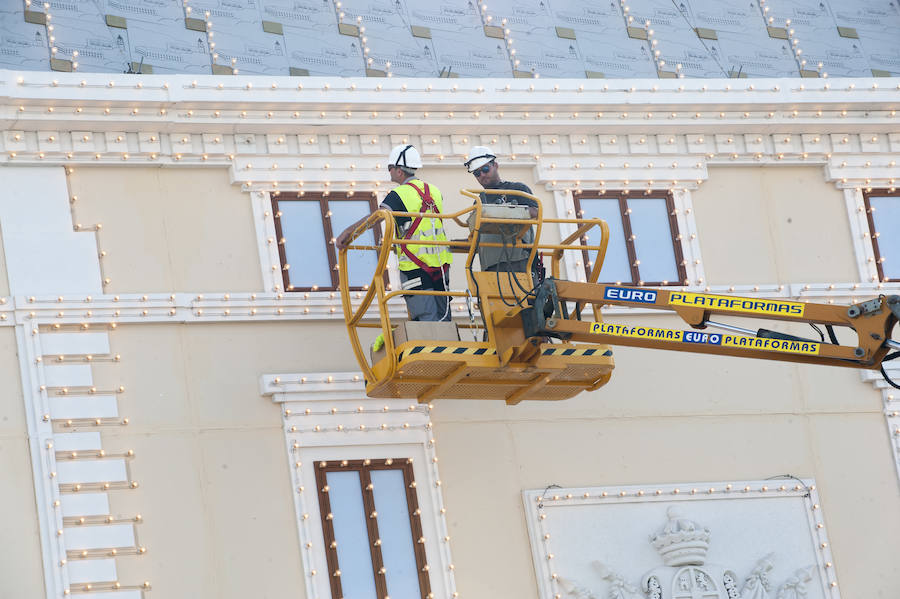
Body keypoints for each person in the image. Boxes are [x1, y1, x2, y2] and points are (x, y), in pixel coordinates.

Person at [336, 144, 453, 322]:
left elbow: (376, 217)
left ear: (399, 171)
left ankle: (431, 348)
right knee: (443, 316)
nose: (389, 171)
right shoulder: (435, 191)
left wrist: (349, 232)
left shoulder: (399, 194)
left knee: (425, 316)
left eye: (390, 168)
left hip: (415, 266)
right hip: (441, 265)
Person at [464, 146, 542, 285]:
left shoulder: (517, 190)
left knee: (527, 305)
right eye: (477, 173)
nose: (482, 175)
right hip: (490, 266)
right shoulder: (479, 200)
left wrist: (508, 211)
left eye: (485, 169)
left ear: (496, 165)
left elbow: (536, 212)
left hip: (519, 260)